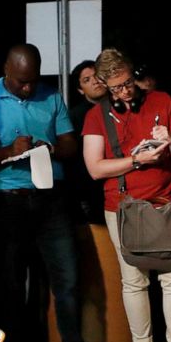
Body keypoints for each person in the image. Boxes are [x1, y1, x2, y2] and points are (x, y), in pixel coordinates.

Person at [82, 49, 171, 342]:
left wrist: (169, 141)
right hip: (123, 207)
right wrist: (137, 161)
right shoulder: (97, 115)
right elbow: (95, 168)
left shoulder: (162, 101)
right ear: (104, 86)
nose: (124, 92)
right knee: (134, 280)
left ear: (132, 74)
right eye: (116, 89)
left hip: (165, 201)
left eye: (127, 84)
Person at [0, 44, 99, 342]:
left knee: (67, 281)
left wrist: (50, 148)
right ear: (6, 70)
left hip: (51, 197)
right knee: (14, 284)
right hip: (8, 198)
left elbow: (71, 146)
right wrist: (8, 151)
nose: (28, 88)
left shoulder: (51, 96)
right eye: (20, 82)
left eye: (32, 81)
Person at [66, 60, 108, 223]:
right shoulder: (75, 117)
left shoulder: (122, 106)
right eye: (87, 80)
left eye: (96, 75)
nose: (95, 81)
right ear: (80, 90)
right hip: (91, 190)